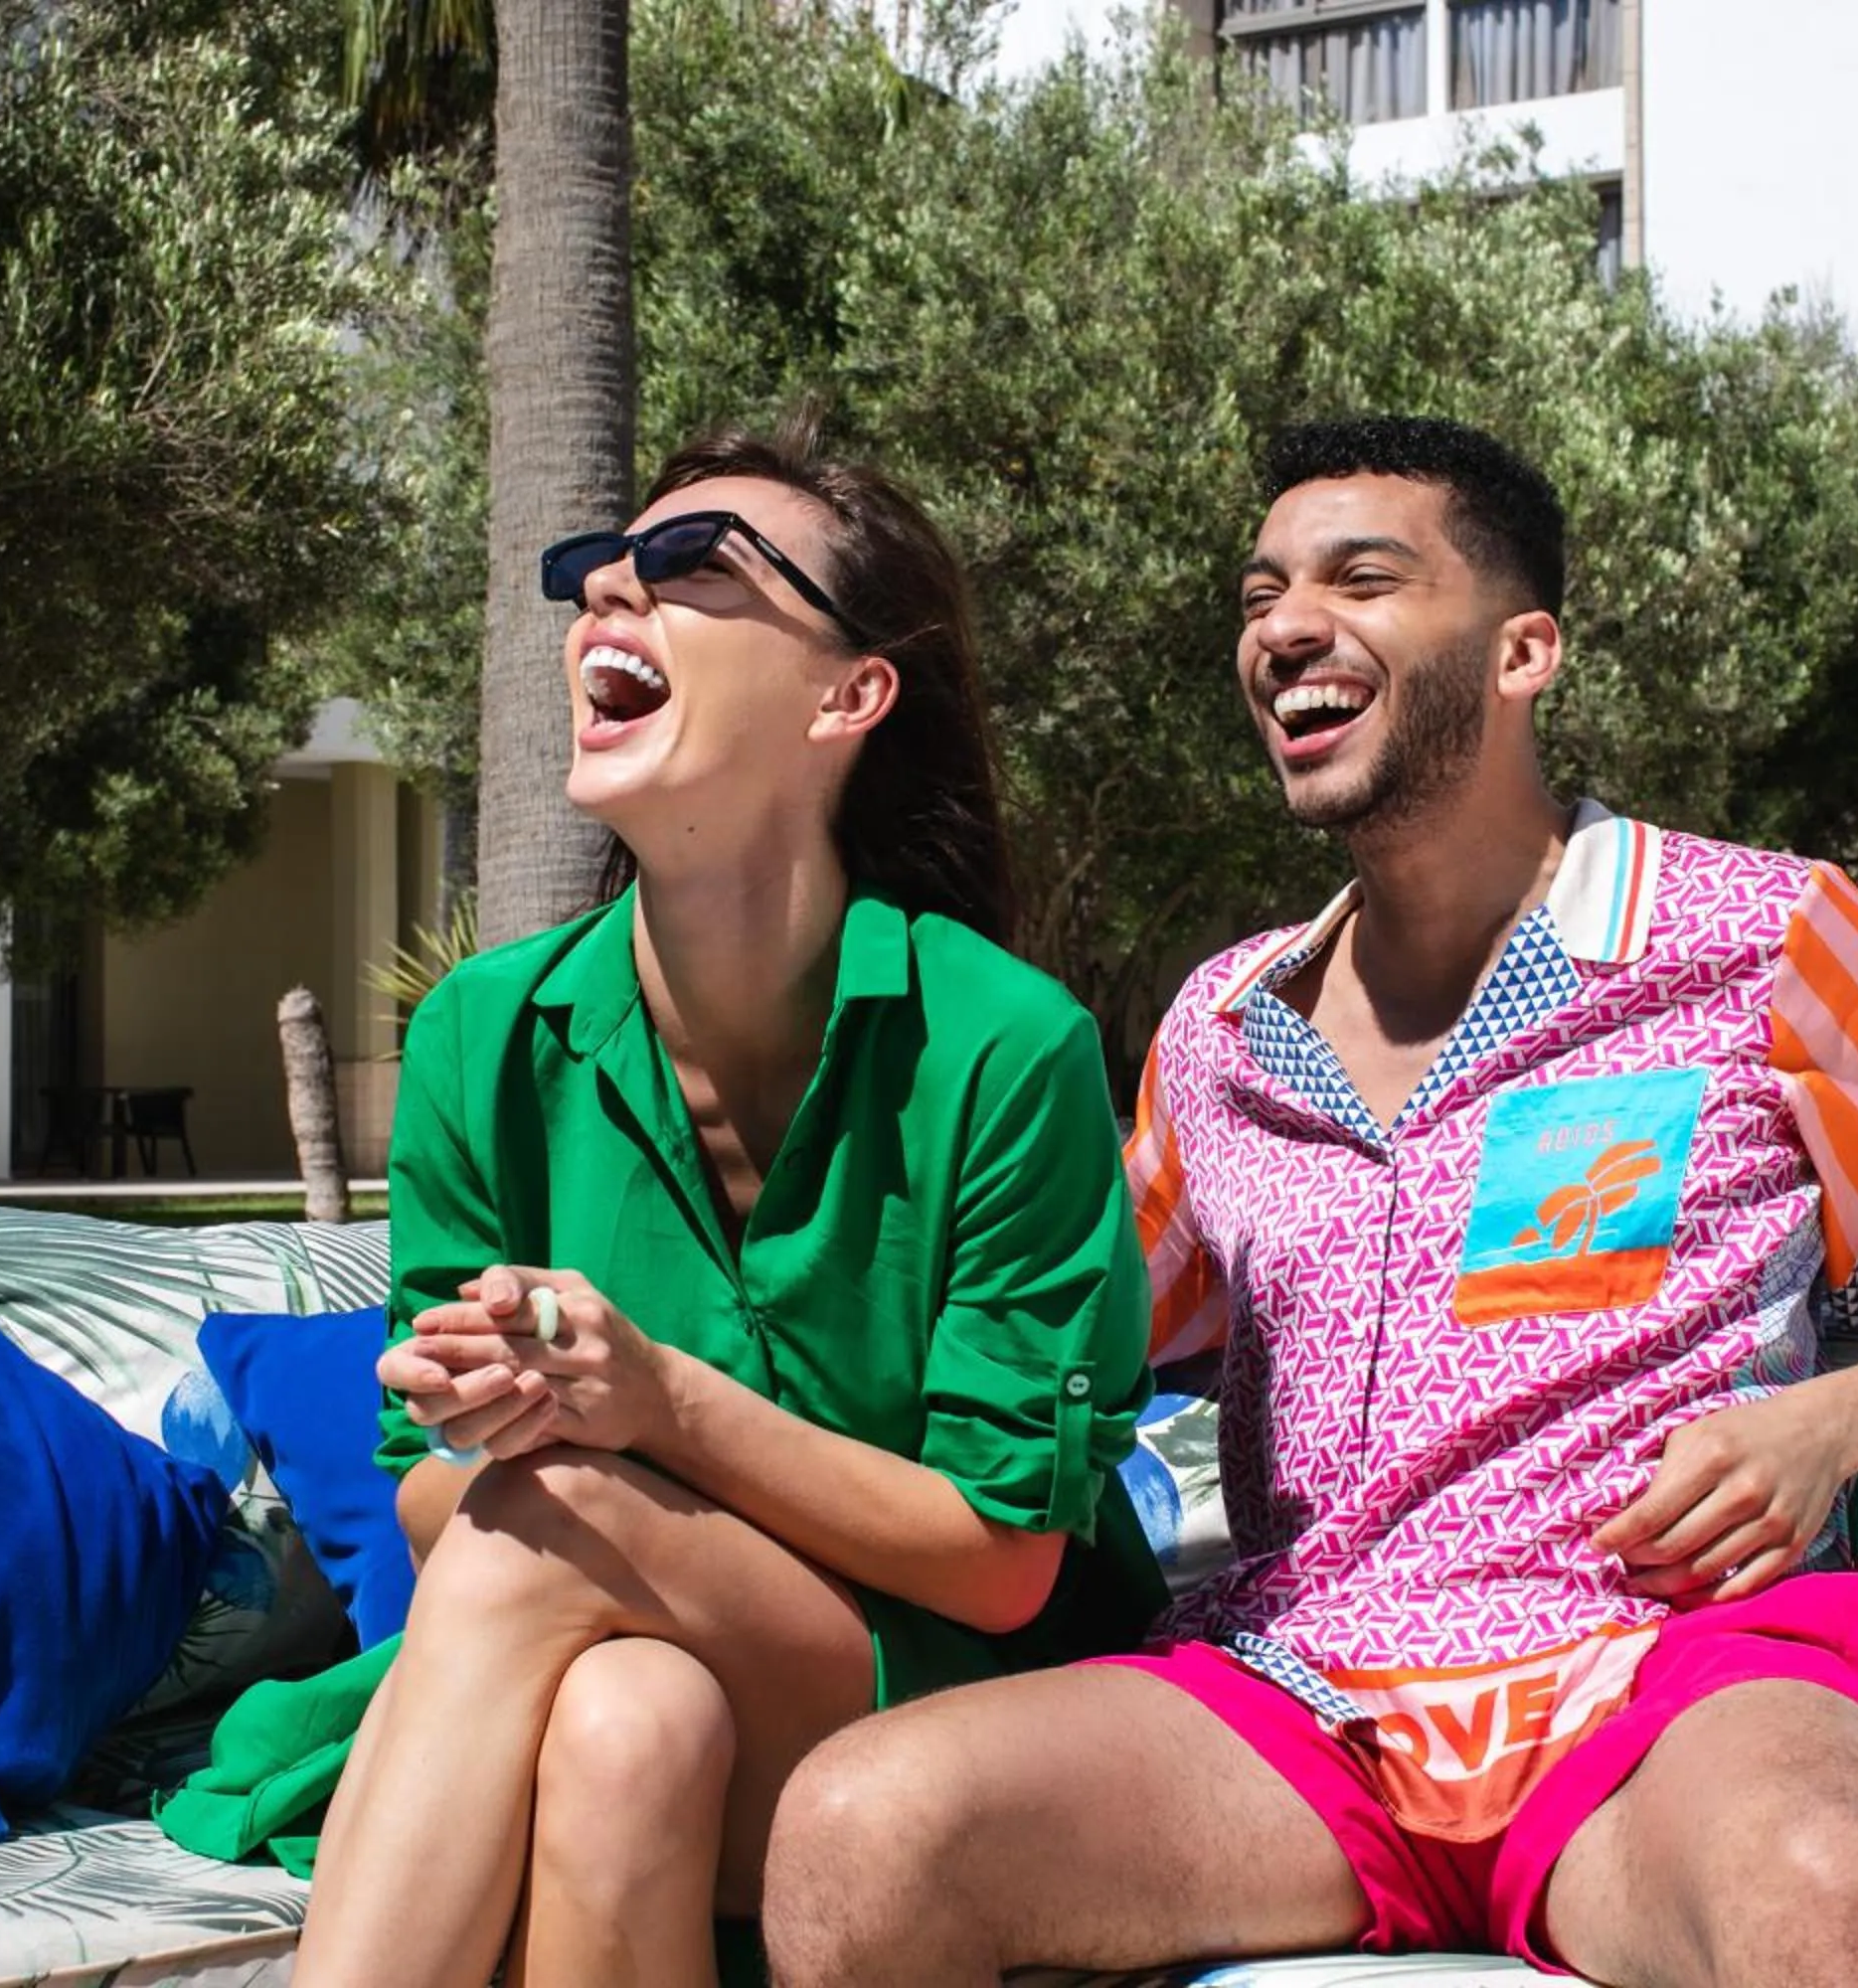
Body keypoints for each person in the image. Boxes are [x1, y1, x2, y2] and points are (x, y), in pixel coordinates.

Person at [761, 415, 1858, 1988]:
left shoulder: (1775, 940)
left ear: (1523, 650)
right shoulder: (1217, 1032)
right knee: (862, 1827)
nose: (1284, 626)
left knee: (1814, 1884)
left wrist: (1824, 1430)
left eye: (1362, 578)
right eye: (1259, 592)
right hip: (1295, 1707)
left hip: (1663, 1679)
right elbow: (1068, 1336)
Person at [157, 418, 1164, 1988]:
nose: (607, 600)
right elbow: (428, 1503)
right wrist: (496, 1422)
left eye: (693, 569)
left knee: (563, 1521)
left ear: (850, 695)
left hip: (963, 1730)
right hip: (665, 1696)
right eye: (591, 576)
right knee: (633, 1725)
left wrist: (648, 1407)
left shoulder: (1006, 1049)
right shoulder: (480, 1036)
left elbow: (1003, 1561)